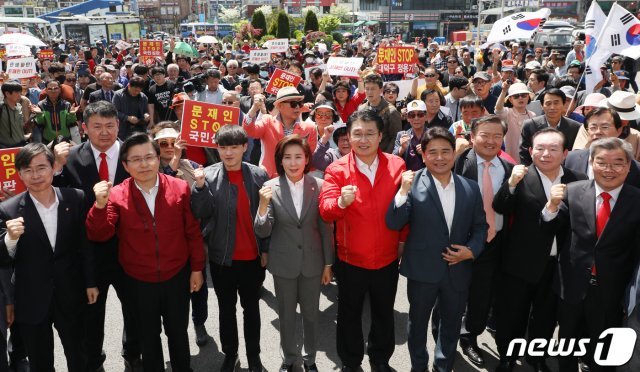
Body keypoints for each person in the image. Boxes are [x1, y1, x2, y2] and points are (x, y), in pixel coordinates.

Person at [86, 133, 205, 372]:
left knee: (178, 332)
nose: (144, 164)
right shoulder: (117, 194)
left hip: (176, 275)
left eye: (149, 157)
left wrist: (197, 269)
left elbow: (192, 232)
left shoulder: (180, 187)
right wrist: (99, 206)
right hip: (138, 280)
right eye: (136, 159)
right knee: (148, 337)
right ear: (125, 166)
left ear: (158, 158)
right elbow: (100, 233)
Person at [386, 126, 487, 372]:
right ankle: (418, 366)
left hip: (458, 269)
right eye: (433, 152)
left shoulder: (470, 187)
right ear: (424, 155)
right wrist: (402, 192)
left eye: (445, 151)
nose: (439, 157)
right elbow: (394, 222)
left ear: (454, 154)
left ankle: (442, 366)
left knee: (451, 324)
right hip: (422, 271)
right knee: (417, 323)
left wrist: (471, 251)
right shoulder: (412, 183)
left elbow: (481, 228)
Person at [52, 101, 141, 372]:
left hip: (130, 247)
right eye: (97, 127)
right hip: (87, 251)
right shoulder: (72, 158)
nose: (104, 132)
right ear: (84, 128)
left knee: (135, 308)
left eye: (110, 126)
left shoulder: (134, 153)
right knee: (91, 312)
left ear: (118, 126)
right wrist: (56, 167)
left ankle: (133, 352)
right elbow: (56, 196)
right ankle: (93, 358)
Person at [541, 137, 640, 372]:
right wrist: (551, 207)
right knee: (566, 346)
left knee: (603, 352)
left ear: (629, 166)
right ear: (591, 164)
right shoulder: (573, 192)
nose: (609, 170)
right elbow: (549, 231)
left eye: (617, 163)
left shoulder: (637, 201)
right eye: (601, 162)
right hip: (572, 286)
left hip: (611, 292)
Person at [492, 128, 587, 372]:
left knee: (545, 317)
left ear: (565, 153)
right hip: (521, 262)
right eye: (540, 149)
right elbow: (501, 206)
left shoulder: (577, 180)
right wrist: (511, 184)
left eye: (554, 149)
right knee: (513, 313)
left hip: (558, 265)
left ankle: (537, 358)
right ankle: (508, 357)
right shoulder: (521, 176)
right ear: (531, 151)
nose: (546, 154)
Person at [319, 109, 406, 372]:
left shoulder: (396, 165)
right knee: (349, 314)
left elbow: (405, 209)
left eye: (370, 133)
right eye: (357, 133)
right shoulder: (336, 169)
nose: (364, 139)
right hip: (350, 259)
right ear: (348, 136)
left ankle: (380, 359)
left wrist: (401, 244)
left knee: (383, 313)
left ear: (381, 136)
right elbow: (325, 210)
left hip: (387, 258)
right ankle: (351, 361)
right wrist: (341, 202)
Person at [0, 143, 98, 372]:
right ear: (20, 173)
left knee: (78, 355)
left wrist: (91, 282)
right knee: (40, 362)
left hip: (71, 293)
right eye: (28, 170)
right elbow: (3, 258)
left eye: (41, 167)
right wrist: (10, 238)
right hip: (31, 299)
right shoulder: (8, 210)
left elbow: (85, 246)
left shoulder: (75, 198)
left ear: (54, 167)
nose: (35, 175)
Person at [190, 125, 269, 372]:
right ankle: (231, 354)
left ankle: (254, 355)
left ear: (245, 147)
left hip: (252, 257)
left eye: (234, 147)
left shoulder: (258, 174)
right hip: (222, 258)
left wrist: (265, 249)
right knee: (226, 311)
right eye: (223, 147)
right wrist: (200, 188)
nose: (228, 153)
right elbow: (201, 213)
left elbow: (268, 215)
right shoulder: (209, 175)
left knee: (251, 310)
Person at [254, 135, 334, 372]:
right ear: (280, 160)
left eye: (298, 156)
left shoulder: (318, 186)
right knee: (287, 316)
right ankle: (289, 358)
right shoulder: (270, 187)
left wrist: (328, 263)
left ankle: (310, 359)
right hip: (283, 263)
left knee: (311, 315)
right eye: (287, 157)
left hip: (312, 262)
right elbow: (262, 229)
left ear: (307, 158)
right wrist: (261, 206)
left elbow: (324, 228)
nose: (293, 162)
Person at [452, 116, 514, 368]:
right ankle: (444, 338)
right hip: (461, 242)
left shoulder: (510, 169)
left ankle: (470, 337)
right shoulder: (458, 162)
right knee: (452, 295)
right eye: (485, 135)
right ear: (472, 136)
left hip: (494, 242)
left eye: (497, 136)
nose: (491, 141)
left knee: (481, 296)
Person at [243, 86, 318, 178]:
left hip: (296, 179)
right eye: (293, 104)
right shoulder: (267, 121)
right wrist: (254, 108)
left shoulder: (310, 128)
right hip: (269, 179)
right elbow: (249, 131)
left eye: (300, 103)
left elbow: (308, 156)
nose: (298, 107)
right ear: (279, 106)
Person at [564, 107, 640, 188]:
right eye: (593, 127)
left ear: (619, 130)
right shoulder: (569, 159)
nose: (598, 132)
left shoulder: (636, 168)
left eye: (605, 127)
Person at [519, 88, 582, 165]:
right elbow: (524, 155)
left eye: (556, 103)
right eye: (548, 103)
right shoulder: (530, 125)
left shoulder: (575, 127)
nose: (552, 107)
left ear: (563, 104)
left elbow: (577, 155)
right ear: (542, 106)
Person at [358, 73, 402, 153]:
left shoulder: (391, 112)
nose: (369, 92)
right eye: (367, 89)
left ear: (381, 90)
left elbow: (396, 137)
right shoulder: (361, 109)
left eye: (373, 89)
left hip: (383, 154)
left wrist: (386, 155)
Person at [495, 82, 536, 162]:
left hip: (529, 156)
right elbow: (498, 109)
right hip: (511, 157)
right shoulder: (507, 113)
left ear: (528, 97)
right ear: (510, 99)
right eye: (516, 96)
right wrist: (504, 91)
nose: (520, 98)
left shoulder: (532, 115)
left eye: (524, 95)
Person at [393, 100, 427, 171]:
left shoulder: (433, 135)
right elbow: (393, 159)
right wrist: (402, 149)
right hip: (407, 177)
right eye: (412, 115)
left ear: (426, 116)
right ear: (408, 118)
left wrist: (426, 153)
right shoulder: (401, 135)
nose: (416, 118)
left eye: (420, 114)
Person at [112, 76, 150, 140]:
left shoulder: (143, 97)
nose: (137, 93)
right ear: (129, 86)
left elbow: (145, 111)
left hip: (139, 130)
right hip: (123, 130)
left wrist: (146, 115)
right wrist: (127, 118)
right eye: (135, 90)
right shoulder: (118, 95)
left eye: (139, 91)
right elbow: (114, 112)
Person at [0, 82, 27, 149]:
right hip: (5, 149)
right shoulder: (1, 108)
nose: (20, 95)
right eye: (17, 92)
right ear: (7, 93)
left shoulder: (19, 106)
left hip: (21, 146)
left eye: (20, 92)